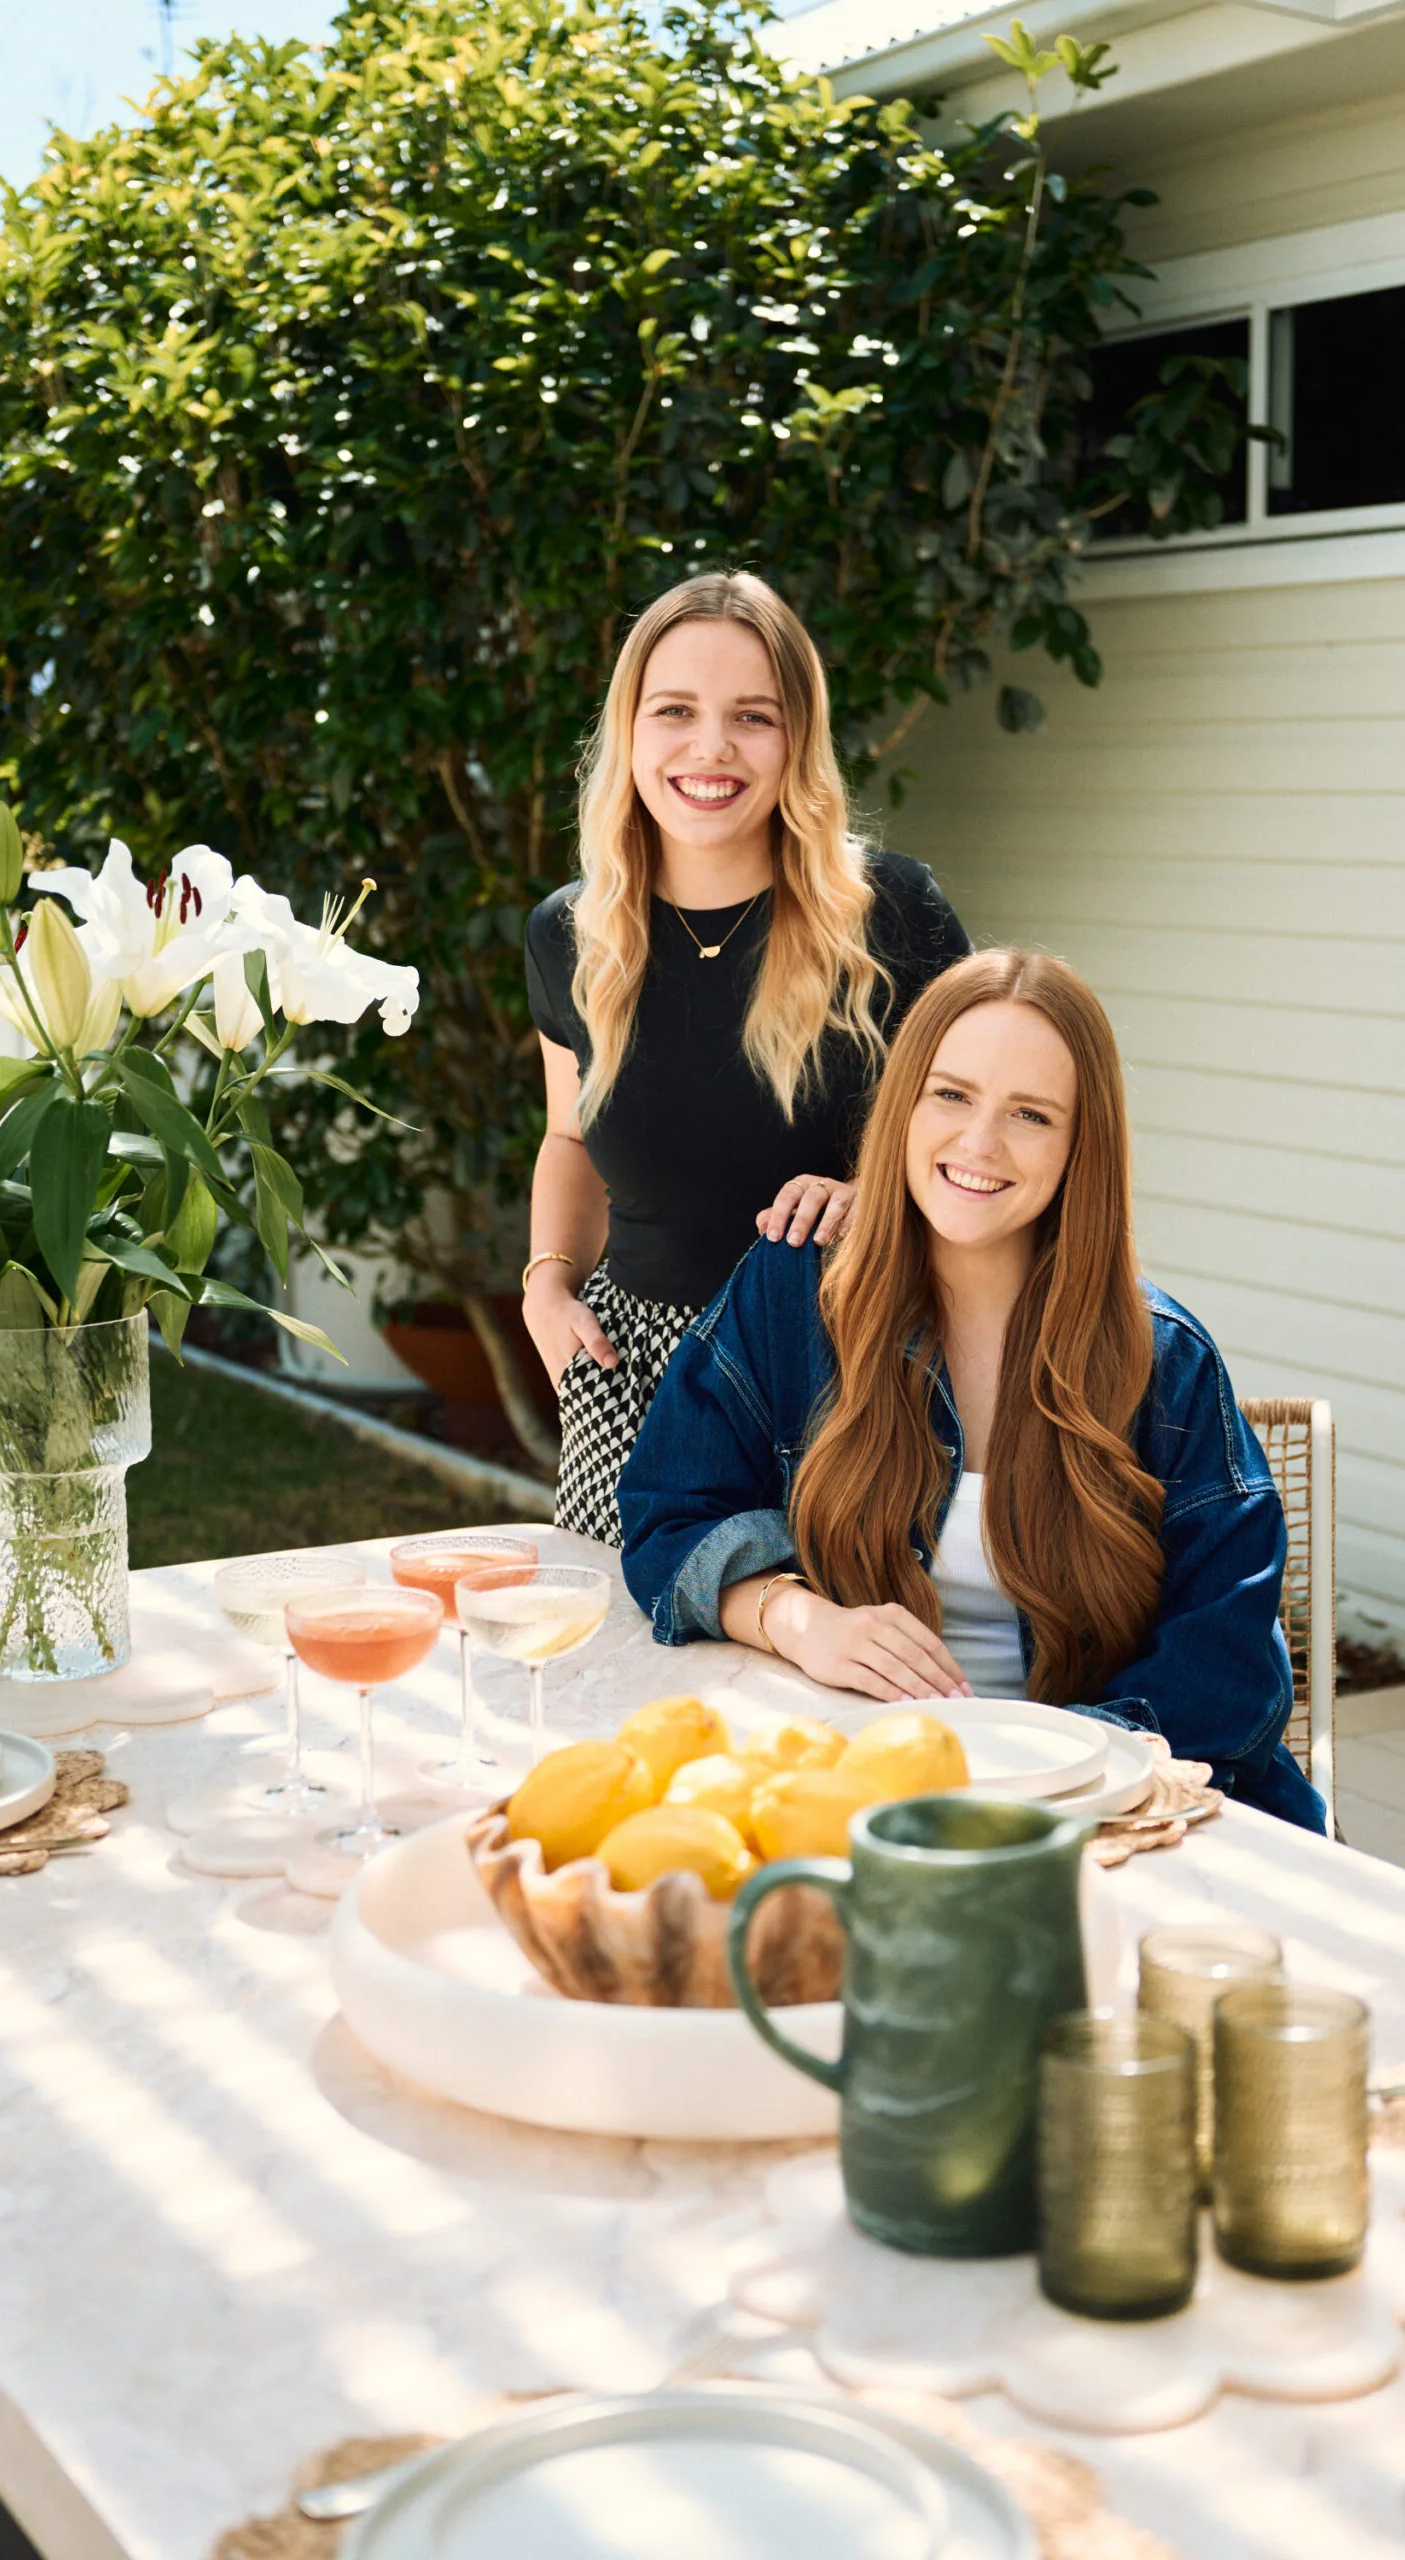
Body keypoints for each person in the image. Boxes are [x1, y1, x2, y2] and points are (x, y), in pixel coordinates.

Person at [619, 949, 1324, 1830]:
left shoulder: (1163, 1358)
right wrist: (797, 1618)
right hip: (855, 1793)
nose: (979, 1145)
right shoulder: (794, 1291)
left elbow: (1228, 1664)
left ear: (1080, 1147)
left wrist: (1024, 1786)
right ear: (903, 1104)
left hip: (1106, 1814)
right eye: (950, 1095)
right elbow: (665, 1516)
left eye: (1030, 1115)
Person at [523, 571, 970, 1542]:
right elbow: (568, 1138)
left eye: (753, 717)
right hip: (631, 1381)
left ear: (797, 739)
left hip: (847, 1371)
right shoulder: (570, 934)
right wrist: (544, 1280)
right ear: (631, 730)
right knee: (638, 1686)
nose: (711, 747)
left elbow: (982, 1135)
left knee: (841, 1676)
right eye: (675, 710)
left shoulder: (892, 915)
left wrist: (877, 1194)